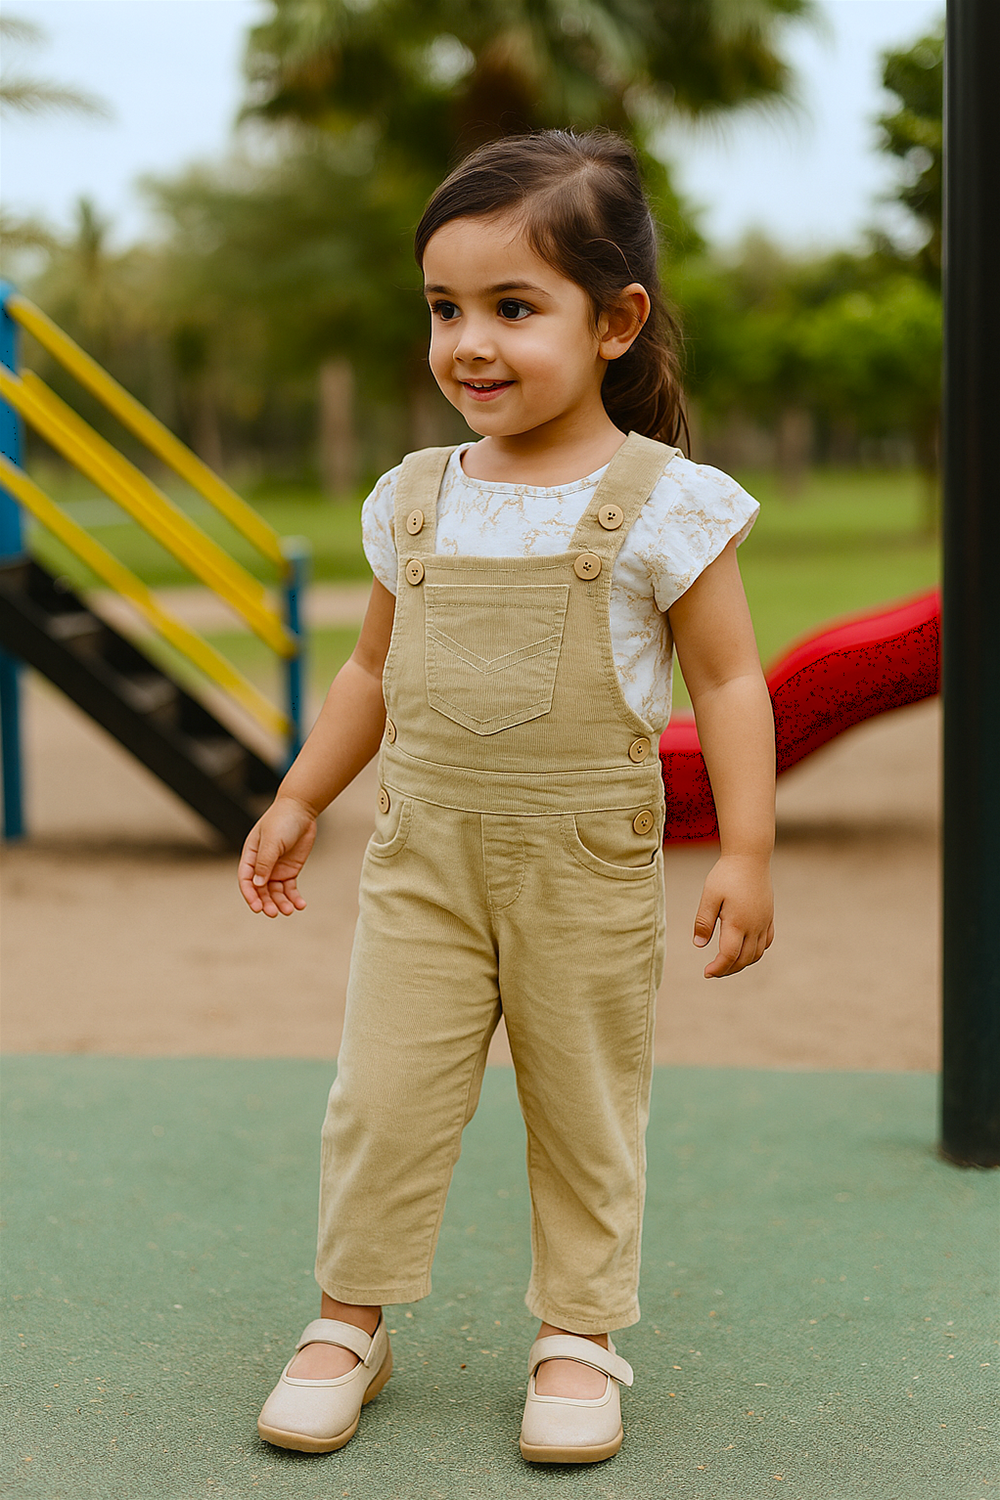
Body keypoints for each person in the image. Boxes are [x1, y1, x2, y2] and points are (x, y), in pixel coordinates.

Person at [239, 128, 775, 1466]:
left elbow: (731, 687)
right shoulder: (414, 498)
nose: (470, 342)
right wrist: (302, 794)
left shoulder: (665, 505)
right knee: (383, 1094)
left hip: (586, 862)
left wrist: (748, 851)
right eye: (444, 309)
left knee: (587, 1096)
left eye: (513, 308)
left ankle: (580, 1333)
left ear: (617, 321)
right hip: (424, 855)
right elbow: (370, 666)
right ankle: (347, 1319)